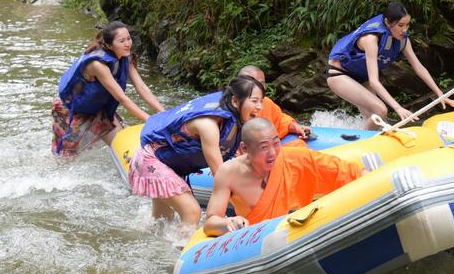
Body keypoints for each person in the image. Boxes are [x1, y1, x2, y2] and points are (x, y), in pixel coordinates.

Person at [129, 76, 264, 230]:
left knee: (162, 220)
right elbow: (220, 175)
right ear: (234, 101)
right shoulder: (208, 126)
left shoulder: (235, 120)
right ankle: (181, 251)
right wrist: (250, 204)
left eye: (261, 101)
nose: (259, 106)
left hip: (168, 163)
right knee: (192, 212)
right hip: (151, 160)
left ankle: (149, 240)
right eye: (254, 101)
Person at [203, 118, 364, 236]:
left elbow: (341, 171)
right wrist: (228, 223)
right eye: (264, 147)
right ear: (245, 149)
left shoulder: (295, 158)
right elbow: (210, 222)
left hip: (300, 231)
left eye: (276, 143)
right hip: (256, 242)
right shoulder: (229, 173)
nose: (273, 153)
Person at [327, 1, 454, 129]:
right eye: (400, 25)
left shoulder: (402, 40)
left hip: (361, 78)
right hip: (339, 75)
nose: (404, 30)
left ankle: (366, 138)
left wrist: (440, 95)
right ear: (387, 23)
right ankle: (360, 144)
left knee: (377, 121)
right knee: (381, 111)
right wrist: (398, 108)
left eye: (407, 25)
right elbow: (374, 81)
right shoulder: (371, 39)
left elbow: (419, 67)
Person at [53, 21, 165, 157]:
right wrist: (150, 119)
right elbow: (122, 99)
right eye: (122, 41)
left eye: (129, 38)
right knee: (65, 157)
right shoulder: (97, 65)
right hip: (74, 112)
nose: (128, 44)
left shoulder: (125, 57)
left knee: (123, 148)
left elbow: (141, 87)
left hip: (100, 110)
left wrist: (164, 114)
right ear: (109, 45)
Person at [237, 65, 312, 146]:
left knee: (299, 145)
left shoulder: (266, 102)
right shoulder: (230, 112)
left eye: (262, 83)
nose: (260, 88)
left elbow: (280, 120)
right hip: (250, 153)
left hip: (267, 149)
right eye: (254, 83)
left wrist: (296, 127)